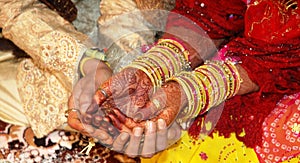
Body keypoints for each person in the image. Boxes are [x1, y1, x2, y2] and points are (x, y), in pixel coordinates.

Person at [67, 0, 300, 162]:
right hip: (237, 50)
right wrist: (153, 68)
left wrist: (193, 90)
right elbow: (212, 12)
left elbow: (282, 55)